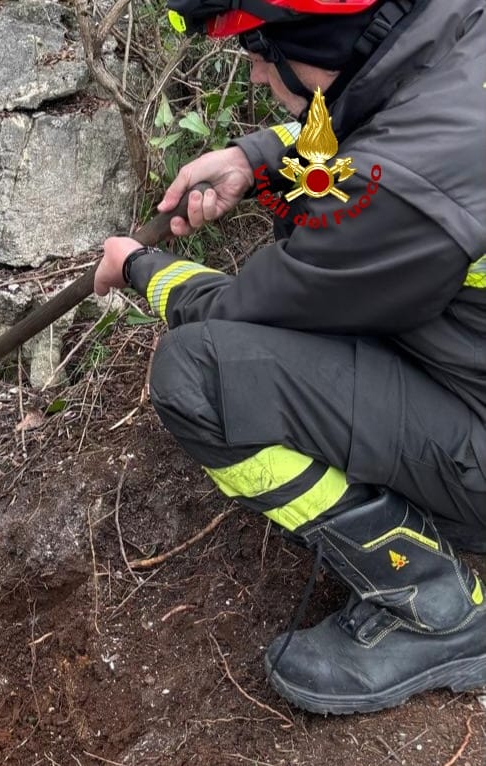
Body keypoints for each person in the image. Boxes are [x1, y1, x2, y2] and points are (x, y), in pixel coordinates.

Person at [94, 0, 486, 714]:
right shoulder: (461, 30)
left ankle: (435, 609)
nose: (256, 69)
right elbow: (386, 109)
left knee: (200, 373)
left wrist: (139, 269)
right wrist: (255, 159)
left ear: (328, 40)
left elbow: (241, 313)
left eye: (268, 50)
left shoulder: (403, 192)